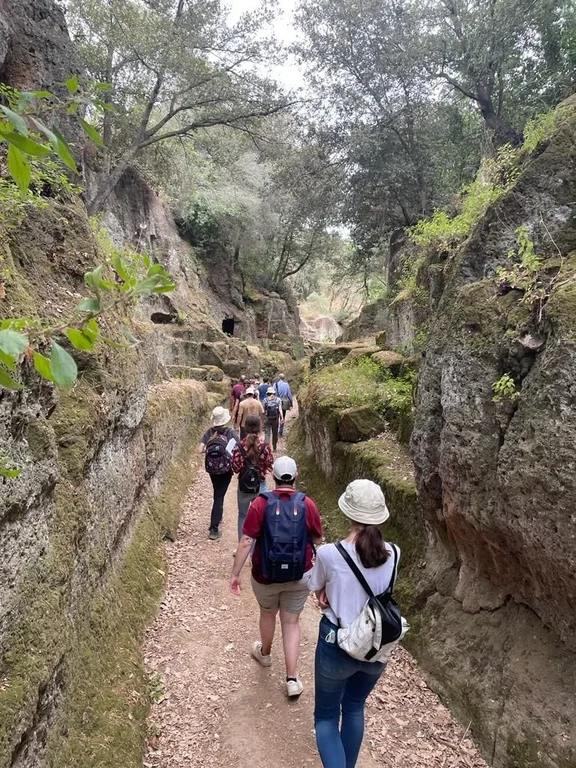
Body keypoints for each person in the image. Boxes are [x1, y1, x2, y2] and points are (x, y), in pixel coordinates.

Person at [309, 479, 400, 768]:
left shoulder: (328, 554)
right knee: (354, 707)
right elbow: (382, 593)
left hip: (337, 642)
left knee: (325, 717)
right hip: (376, 646)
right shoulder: (394, 553)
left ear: (348, 513)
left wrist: (326, 595)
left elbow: (318, 587)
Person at [229, 456, 323, 698]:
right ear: (295, 476)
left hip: (265, 574)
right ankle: (292, 679)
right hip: (300, 573)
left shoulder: (260, 504)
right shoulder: (307, 504)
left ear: (273, 476)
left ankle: (266, 654)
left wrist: (235, 574)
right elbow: (317, 540)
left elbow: (246, 541)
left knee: (267, 613)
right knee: (291, 623)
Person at [199, 406, 239, 540]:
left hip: (212, 468)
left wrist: (210, 450)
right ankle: (214, 529)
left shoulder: (209, 432)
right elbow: (237, 448)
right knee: (219, 496)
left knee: (217, 492)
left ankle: (218, 517)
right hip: (226, 469)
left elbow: (200, 449)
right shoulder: (230, 432)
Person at [231, 414, 274, 540]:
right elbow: (270, 464)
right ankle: (258, 548)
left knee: (243, 516)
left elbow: (235, 468)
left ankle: (242, 546)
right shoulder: (265, 446)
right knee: (262, 516)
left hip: (244, 487)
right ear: (260, 427)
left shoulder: (239, 446)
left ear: (245, 427)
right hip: (260, 485)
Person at [263, 385, 283, 451]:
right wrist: (282, 418)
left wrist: (262, 419)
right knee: (275, 433)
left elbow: (263, 410)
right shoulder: (278, 400)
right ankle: (274, 447)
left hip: (267, 419)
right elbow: (280, 409)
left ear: (267, 393)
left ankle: (267, 448)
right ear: (274, 393)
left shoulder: (265, 400)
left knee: (267, 434)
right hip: (275, 419)